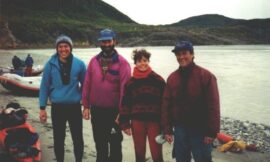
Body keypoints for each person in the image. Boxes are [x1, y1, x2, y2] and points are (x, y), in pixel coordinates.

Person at [161, 41, 220, 162]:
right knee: (181, 159)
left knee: (203, 159)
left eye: (184, 53)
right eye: (178, 54)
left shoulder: (206, 76)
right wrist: (167, 129)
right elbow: (166, 105)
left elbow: (213, 106)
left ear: (192, 54)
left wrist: (211, 131)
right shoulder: (172, 78)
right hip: (180, 129)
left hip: (201, 129)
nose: (181, 57)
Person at [82, 28, 131, 162]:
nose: (106, 44)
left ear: (114, 41)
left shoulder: (123, 63)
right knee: (100, 145)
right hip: (96, 111)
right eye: (103, 42)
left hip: (114, 112)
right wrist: (86, 106)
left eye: (108, 41)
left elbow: (125, 91)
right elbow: (87, 84)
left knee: (115, 145)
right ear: (100, 43)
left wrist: (122, 113)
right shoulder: (93, 61)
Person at [39, 35, 86, 162]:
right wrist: (42, 108)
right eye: (60, 46)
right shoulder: (50, 64)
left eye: (66, 46)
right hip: (57, 107)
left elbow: (86, 85)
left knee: (78, 138)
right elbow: (44, 86)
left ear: (70, 48)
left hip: (74, 107)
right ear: (57, 48)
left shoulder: (80, 64)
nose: (63, 49)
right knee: (58, 138)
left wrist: (86, 104)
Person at [119, 49, 166, 162]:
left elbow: (166, 103)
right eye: (139, 61)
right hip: (137, 121)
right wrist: (124, 123)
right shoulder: (130, 83)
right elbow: (125, 103)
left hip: (155, 121)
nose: (142, 63)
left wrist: (167, 123)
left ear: (148, 61)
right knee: (139, 152)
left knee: (157, 154)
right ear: (135, 63)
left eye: (145, 60)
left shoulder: (158, 80)